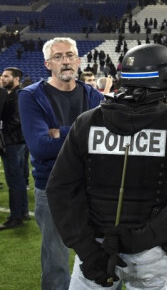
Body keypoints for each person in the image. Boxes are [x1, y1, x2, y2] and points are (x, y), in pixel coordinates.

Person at [46, 43, 167, 289]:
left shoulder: (87, 122)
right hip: (150, 252)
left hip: (94, 245)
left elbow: (60, 190)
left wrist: (87, 250)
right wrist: (139, 240)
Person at [19, 37, 104, 290]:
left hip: (92, 185)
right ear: (48, 64)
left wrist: (60, 132)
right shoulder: (30, 95)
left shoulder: (92, 94)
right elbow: (40, 146)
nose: (65, 61)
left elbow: (101, 140)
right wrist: (82, 134)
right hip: (52, 187)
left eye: (69, 55)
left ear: (78, 60)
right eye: (58, 57)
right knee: (56, 263)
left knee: (98, 254)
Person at [0, 67, 28, 230]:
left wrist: (3, 130)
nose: (3, 79)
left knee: (14, 180)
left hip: (13, 142)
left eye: (6, 76)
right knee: (17, 179)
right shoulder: (12, 94)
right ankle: (22, 211)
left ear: (16, 79)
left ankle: (16, 216)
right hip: (15, 141)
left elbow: (17, 120)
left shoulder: (18, 95)